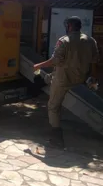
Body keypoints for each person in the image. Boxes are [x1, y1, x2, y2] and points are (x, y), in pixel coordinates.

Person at [33, 16, 99, 148]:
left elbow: (55, 61)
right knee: (50, 77)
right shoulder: (90, 40)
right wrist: (92, 77)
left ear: (69, 26)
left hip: (63, 79)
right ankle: (45, 79)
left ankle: (56, 138)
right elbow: (95, 61)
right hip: (80, 79)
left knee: (53, 107)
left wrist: (38, 66)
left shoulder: (64, 41)